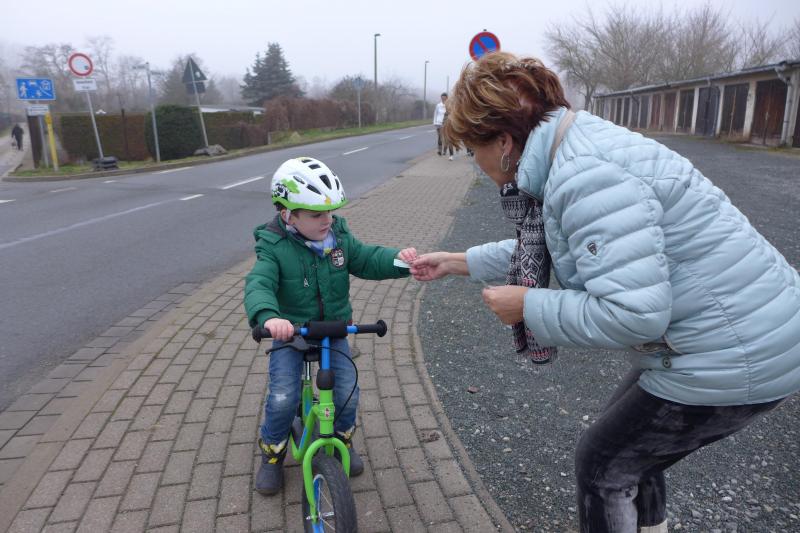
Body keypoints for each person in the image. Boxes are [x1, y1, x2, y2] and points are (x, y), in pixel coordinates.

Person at [410, 52, 800, 533]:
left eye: (474, 149)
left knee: (603, 467)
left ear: (505, 143)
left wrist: (528, 305)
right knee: (631, 453)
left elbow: (634, 315)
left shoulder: (585, 175)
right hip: (747, 329)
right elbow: (569, 244)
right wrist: (456, 262)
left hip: (738, 350)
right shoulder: (574, 146)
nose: (475, 162)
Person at [244, 156, 418, 495]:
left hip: (334, 330)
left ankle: (342, 439)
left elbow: (367, 259)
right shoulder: (274, 246)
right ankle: (273, 452)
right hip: (292, 333)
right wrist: (270, 317)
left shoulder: (338, 237)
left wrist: (401, 261)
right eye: (316, 214)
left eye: (330, 212)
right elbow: (259, 283)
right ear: (288, 215)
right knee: (283, 396)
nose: (327, 220)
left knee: (347, 392)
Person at [433, 92, 454, 160]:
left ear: (447, 98)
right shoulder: (438, 105)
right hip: (439, 123)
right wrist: (435, 122)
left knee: (448, 138)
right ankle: (440, 150)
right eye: (442, 98)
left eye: (444, 98)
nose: (443, 99)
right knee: (440, 137)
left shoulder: (449, 105)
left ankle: (451, 154)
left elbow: (452, 113)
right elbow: (435, 114)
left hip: (447, 123)